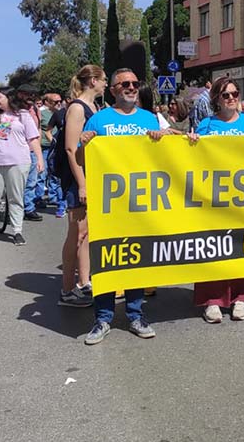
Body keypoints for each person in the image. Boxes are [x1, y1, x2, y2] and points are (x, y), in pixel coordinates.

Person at [83, 68, 166, 343]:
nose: (131, 87)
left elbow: (166, 159)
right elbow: (84, 158)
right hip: (107, 204)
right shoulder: (98, 120)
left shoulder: (149, 118)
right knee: (106, 260)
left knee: (136, 259)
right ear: (113, 90)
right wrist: (85, 144)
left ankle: (135, 315)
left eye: (134, 83)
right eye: (124, 84)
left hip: (140, 201)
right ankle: (102, 319)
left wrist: (161, 140)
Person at [189, 76, 244, 323]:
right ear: (216, 98)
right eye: (226, 95)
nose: (232, 99)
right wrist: (191, 144)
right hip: (214, 197)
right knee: (213, 248)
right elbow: (193, 158)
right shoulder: (207, 124)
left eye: (235, 94)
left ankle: (241, 298)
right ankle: (212, 301)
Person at [57, 66, 105, 308]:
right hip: (79, 177)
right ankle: (67, 290)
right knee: (76, 234)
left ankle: (84, 282)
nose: (106, 84)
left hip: (91, 175)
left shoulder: (94, 108)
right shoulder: (77, 108)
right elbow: (70, 148)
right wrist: (82, 184)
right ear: (94, 81)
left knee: (86, 234)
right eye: (104, 80)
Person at [0, 87, 44, 247]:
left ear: (9, 98)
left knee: (16, 198)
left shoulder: (23, 116)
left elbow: (33, 139)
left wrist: (40, 159)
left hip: (18, 162)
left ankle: (17, 230)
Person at [17, 84, 43, 221]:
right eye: (28, 95)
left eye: (33, 96)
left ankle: (28, 208)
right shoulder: (14, 111)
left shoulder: (35, 110)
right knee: (17, 183)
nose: (31, 98)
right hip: (18, 151)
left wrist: (38, 151)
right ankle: (16, 209)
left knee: (31, 181)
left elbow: (38, 129)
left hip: (32, 150)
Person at [36, 93, 62, 206]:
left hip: (56, 147)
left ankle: (53, 196)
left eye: (60, 101)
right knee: (42, 173)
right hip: (43, 146)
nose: (59, 104)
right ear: (47, 102)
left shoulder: (61, 113)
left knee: (55, 172)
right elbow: (42, 129)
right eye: (55, 102)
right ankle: (38, 197)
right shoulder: (42, 113)